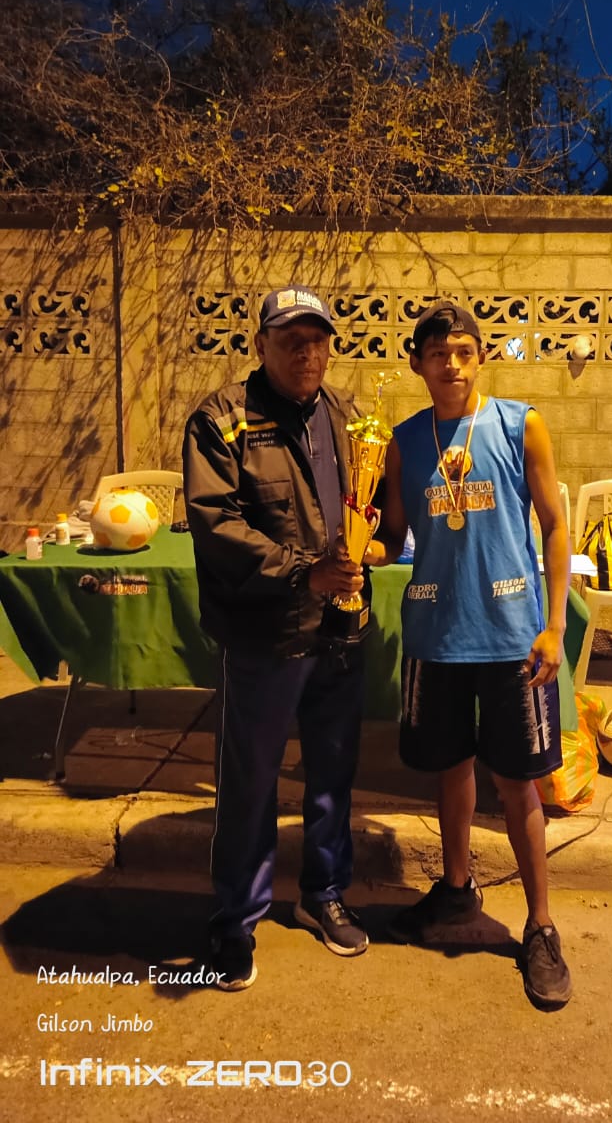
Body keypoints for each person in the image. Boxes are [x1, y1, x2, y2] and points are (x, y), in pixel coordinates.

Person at [366, 300, 573, 1008]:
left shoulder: (520, 424)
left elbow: (554, 524)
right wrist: (360, 547)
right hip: (436, 634)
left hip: (512, 636)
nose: (451, 365)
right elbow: (394, 536)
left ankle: (540, 926)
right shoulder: (402, 441)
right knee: (450, 769)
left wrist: (554, 625)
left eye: (462, 351)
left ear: (480, 357)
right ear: (417, 364)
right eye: (437, 354)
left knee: (517, 784)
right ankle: (456, 888)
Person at [183, 284, 371, 991]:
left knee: (333, 775)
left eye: (318, 339)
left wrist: (374, 544)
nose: (307, 353)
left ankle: (323, 893)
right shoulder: (223, 420)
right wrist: (304, 572)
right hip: (266, 634)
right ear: (260, 345)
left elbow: (365, 507)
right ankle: (235, 921)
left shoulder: (347, 417)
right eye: (291, 340)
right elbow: (217, 525)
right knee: (251, 783)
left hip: (340, 628)